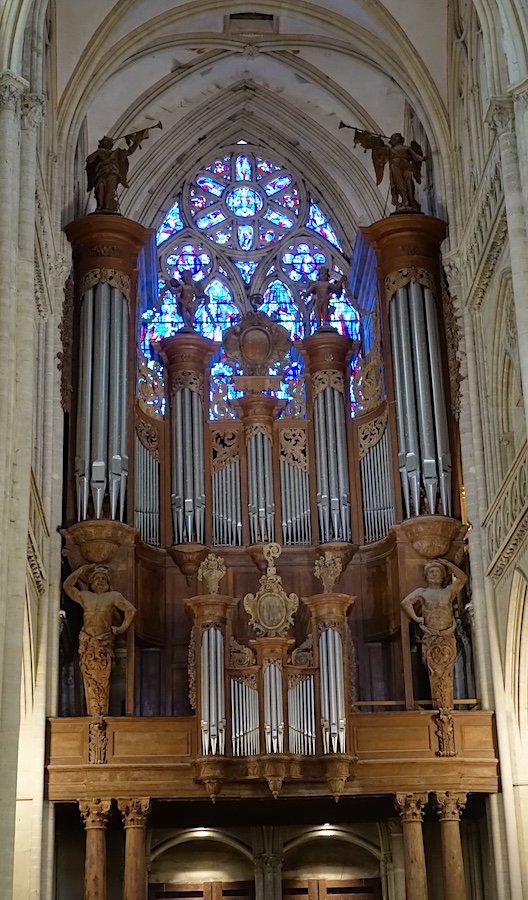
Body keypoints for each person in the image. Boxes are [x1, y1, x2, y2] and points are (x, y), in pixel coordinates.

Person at [63, 564, 136, 716]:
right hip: (87, 641)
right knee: (88, 676)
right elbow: (67, 586)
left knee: (103, 678)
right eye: (97, 578)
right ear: (91, 582)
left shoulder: (113, 596)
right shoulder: (85, 596)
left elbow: (130, 610)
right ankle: (93, 714)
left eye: (103, 578)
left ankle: (99, 713)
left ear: (109, 583)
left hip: (104, 641)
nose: (100, 581)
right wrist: (81, 570)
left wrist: (121, 628)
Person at [401, 558, 467, 709]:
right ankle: (440, 706)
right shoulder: (422, 593)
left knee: (448, 671)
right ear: (426, 576)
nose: (434, 574)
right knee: (434, 672)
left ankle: (446, 707)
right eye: (431, 571)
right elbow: (406, 602)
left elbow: (463, 579)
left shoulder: (448, 591)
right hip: (430, 636)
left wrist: (449, 565)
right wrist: (417, 618)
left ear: (443, 576)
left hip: (447, 635)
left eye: (437, 571)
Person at [353, 128, 426, 212]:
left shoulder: (406, 148)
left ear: (401, 139)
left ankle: (411, 200)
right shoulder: (389, 149)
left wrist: (422, 158)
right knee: (399, 183)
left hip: (406, 166)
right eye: (392, 137)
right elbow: (378, 151)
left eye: (396, 136)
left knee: (409, 182)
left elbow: (415, 156)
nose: (394, 138)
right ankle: (405, 200)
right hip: (395, 167)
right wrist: (376, 141)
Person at [86, 135, 140, 212]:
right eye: (106, 140)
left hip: (113, 174)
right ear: (101, 143)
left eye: (110, 141)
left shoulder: (117, 153)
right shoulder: (100, 152)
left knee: (109, 191)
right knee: (100, 189)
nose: (109, 142)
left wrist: (136, 142)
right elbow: (89, 160)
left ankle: (107, 208)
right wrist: (98, 152)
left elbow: (129, 151)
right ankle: (100, 207)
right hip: (101, 174)